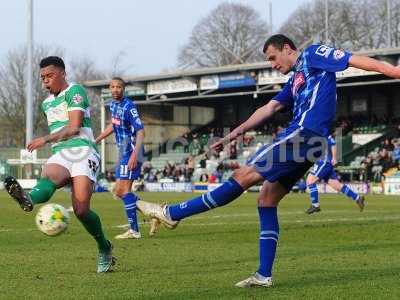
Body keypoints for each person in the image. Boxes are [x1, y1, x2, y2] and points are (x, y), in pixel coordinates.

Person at [136, 34, 400, 287]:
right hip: (310, 142)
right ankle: (264, 275)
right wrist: (235, 133)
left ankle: (172, 213)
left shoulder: (312, 54)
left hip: (303, 135)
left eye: (274, 58)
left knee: (242, 177)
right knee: (266, 199)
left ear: (287, 48)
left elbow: (356, 60)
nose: (273, 65)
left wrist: (394, 72)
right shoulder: (296, 79)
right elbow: (269, 108)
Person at [3, 56, 114, 273]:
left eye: (49, 76)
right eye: (42, 77)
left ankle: (104, 247)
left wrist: (43, 139)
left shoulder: (75, 91)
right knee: (50, 175)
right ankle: (28, 198)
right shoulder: (46, 103)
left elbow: (73, 127)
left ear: (62, 73)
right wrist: (51, 143)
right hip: (60, 153)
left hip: (83, 150)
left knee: (82, 210)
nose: (45, 81)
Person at [95, 77, 153, 239]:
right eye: (112, 87)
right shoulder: (113, 105)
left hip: (133, 150)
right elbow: (113, 125)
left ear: (123, 89)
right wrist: (96, 140)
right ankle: (156, 213)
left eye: (119, 87)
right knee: (120, 192)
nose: (115, 90)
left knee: (122, 191)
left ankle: (134, 231)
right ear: (109, 88)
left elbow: (141, 131)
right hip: (124, 151)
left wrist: (134, 155)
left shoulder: (129, 107)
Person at [305, 134, 364, 214]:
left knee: (310, 181)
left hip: (324, 162)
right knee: (336, 185)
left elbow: (332, 142)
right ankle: (357, 198)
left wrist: (334, 157)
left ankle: (315, 205)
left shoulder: (321, 133)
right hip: (321, 162)